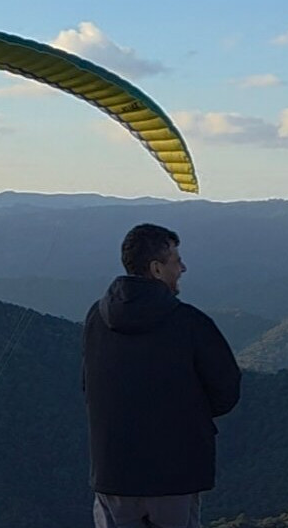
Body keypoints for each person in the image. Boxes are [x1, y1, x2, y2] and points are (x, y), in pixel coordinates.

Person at [82, 223, 241, 528]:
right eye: (176, 260)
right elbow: (226, 391)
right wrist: (188, 414)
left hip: (111, 474)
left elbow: (89, 386)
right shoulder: (190, 322)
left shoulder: (96, 318)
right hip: (175, 475)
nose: (183, 268)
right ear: (156, 269)